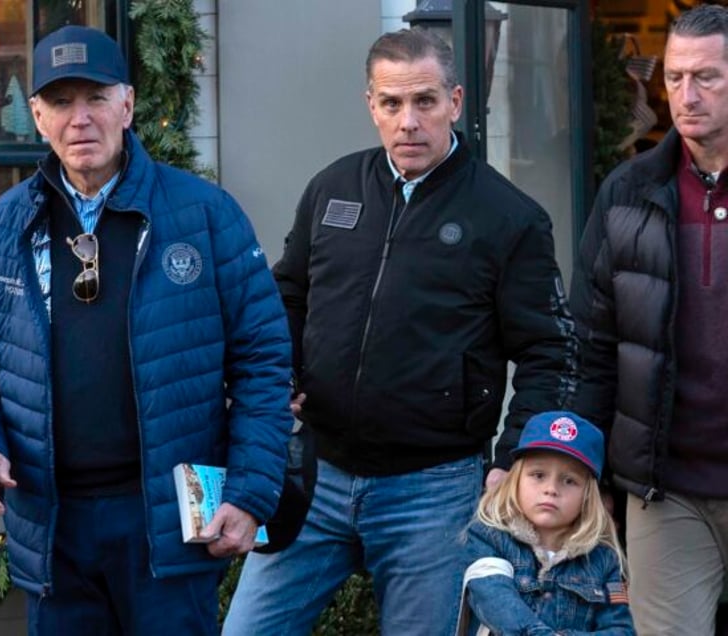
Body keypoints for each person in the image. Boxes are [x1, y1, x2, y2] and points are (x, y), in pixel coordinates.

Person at [0, 25, 293, 635]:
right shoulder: (5, 225)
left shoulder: (204, 215)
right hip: (53, 527)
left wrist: (252, 491)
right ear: (36, 116)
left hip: (165, 525)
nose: (81, 119)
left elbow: (262, 359)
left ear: (127, 105)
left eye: (96, 98)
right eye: (62, 102)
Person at [223, 28, 577, 636]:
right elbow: (288, 295)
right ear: (371, 106)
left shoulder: (509, 217)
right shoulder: (333, 188)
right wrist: (277, 377)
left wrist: (511, 459)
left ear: (456, 102)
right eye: (392, 104)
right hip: (317, 474)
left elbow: (550, 350)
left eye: (425, 101)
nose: (408, 121)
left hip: (432, 494)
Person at [569, 5, 728, 634]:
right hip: (668, 489)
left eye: (708, 77)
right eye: (675, 77)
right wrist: (587, 467)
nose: (686, 96)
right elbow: (591, 340)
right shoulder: (629, 191)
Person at [458, 411, 634, 635]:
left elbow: (620, 630)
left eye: (569, 480)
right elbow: (494, 599)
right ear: (515, 480)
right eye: (538, 475)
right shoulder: (487, 537)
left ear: (588, 497)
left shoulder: (605, 560)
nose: (551, 489)